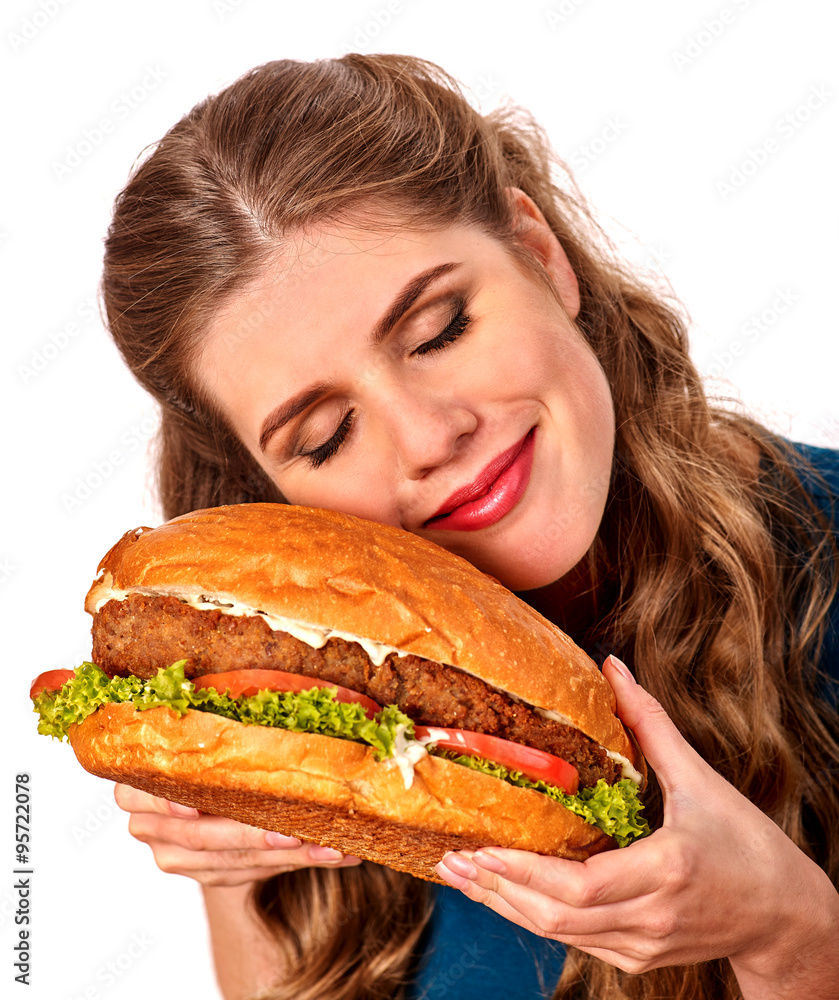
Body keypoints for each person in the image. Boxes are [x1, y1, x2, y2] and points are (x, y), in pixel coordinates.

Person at [100, 53, 839, 1000]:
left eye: (440, 330)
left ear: (540, 255)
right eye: (324, 438)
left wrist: (791, 938)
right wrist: (239, 840)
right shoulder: (290, 711)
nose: (428, 436)